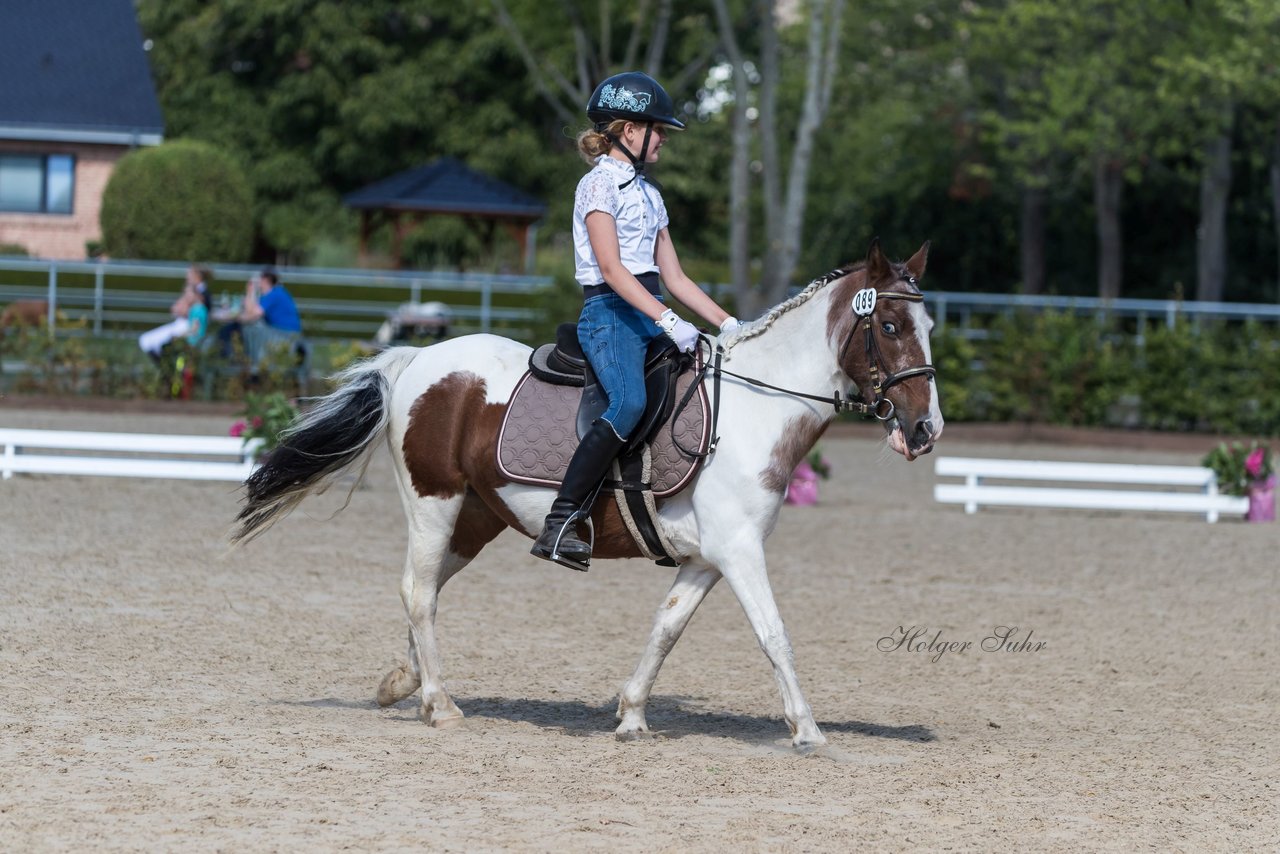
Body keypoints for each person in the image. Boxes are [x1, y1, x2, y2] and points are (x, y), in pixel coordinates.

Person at [530, 70, 741, 572]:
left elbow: (676, 277)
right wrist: (669, 320)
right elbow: (611, 269)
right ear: (630, 131)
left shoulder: (649, 194)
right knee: (628, 403)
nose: (664, 137)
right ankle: (560, 521)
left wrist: (728, 322)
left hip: (648, 313)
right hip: (609, 315)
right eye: (658, 129)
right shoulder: (596, 185)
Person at [218, 268, 302, 368]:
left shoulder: (275, 294)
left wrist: (250, 292)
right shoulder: (272, 294)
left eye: (259, 279)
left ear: (265, 280)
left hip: (285, 335)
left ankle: (234, 361)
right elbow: (250, 312)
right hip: (281, 333)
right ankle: (235, 360)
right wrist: (250, 292)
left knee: (241, 329)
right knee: (237, 328)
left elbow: (253, 314)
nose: (257, 282)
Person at [138, 265, 211, 359]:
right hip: (187, 334)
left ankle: (167, 369)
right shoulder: (196, 306)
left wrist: (180, 336)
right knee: (156, 344)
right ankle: (166, 368)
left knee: (161, 345)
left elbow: (196, 328)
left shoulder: (199, 307)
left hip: (189, 337)